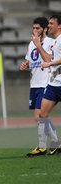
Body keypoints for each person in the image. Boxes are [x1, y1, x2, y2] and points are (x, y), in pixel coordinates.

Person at [19, 17, 57, 157]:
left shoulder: (51, 43)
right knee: (40, 117)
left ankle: (43, 147)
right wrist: (25, 64)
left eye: (38, 28)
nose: (34, 30)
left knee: (39, 116)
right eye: (33, 28)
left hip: (45, 83)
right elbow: (30, 60)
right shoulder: (31, 44)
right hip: (34, 84)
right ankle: (55, 143)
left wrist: (38, 45)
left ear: (45, 29)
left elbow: (49, 61)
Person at [37, 15, 61, 155]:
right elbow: (52, 59)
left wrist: (50, 63)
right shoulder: (55, 41)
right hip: (53, 84)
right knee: (42, 114)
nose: (49, 25)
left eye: (52, 23)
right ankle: (56, 142)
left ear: (59, 26)